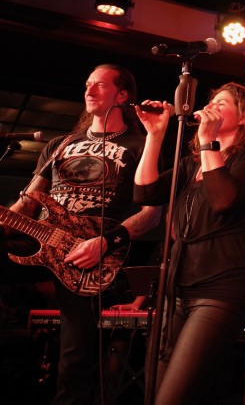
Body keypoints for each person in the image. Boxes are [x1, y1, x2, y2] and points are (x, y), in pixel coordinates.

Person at [3, 63, 161, 405]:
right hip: (40, 239)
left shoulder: (139, 145)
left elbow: (151, 214)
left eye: (99, 85)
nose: (88, 90)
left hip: (89, 255)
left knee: (74, 362)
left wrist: (106, 242)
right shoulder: (61, 144)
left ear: (122, 96)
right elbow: (28, 202)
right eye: (88, 84)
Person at [133, 82, 245, 403]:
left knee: (174, 396)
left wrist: (208, 141)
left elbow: (224, 199)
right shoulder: (192, 163)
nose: (210, 108)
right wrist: (154, 136)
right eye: (211, 103)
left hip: (221, 290)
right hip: (178, 289)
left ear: (244, 118)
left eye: (222, 105)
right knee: (154, 392)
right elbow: (144, 192)